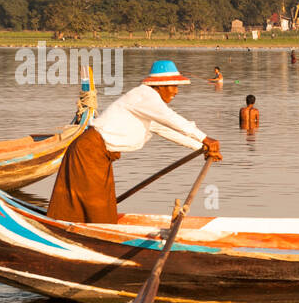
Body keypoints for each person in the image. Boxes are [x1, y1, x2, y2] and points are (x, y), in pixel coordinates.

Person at [47, 60, 221, 224]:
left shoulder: (149, 104)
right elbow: (172, 119)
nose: (176, 91)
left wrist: (201, 147)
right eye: (173, 86)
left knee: (104, 206)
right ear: (160, 85)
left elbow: (166, 130)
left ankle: (92, 230)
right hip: (88, 153)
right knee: (95, 208)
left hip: (100, 157)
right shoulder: (145, 96)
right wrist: (205, 138)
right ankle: (82, 234)